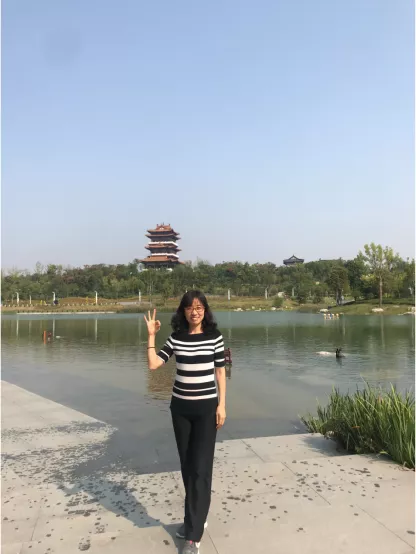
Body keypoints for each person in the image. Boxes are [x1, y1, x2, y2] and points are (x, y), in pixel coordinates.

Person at [144, 291, 226, 554]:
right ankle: (194, 519)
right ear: (183, 311)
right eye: (190, 307)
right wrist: (151, 336)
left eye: (199, 307)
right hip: (180, 409)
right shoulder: (176, 338)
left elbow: (220, 371)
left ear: (205, 311)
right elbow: (154, 365)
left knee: (201, 469)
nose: (195, 311)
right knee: (188, 467)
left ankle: (193, 536)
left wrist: (222, 405)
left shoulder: (214, 337)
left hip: (206, 410)